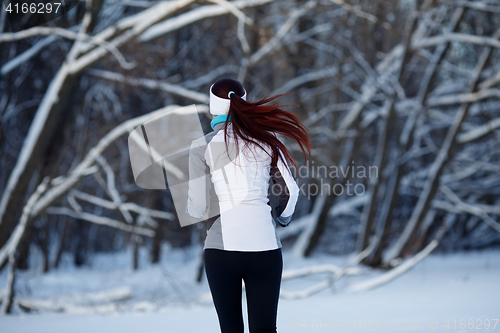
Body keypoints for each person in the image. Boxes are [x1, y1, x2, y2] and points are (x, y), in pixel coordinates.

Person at [187, 78, 310, 333]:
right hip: (265, 249)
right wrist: (282, 218)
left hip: (221, 252)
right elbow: (291, 191)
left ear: (213, 108)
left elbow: (197, 207)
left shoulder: (202, 146)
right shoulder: (268, 141)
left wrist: (209, 215)